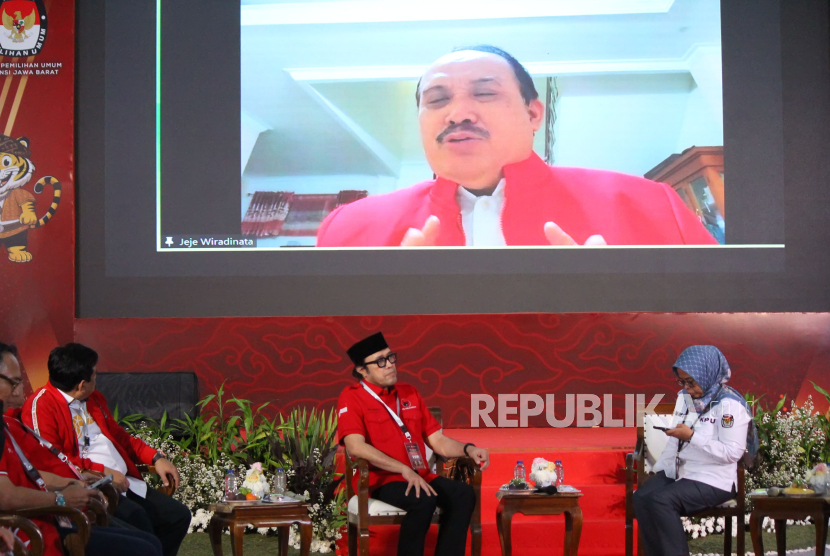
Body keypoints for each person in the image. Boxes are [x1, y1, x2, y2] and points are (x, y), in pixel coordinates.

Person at [316, 45, 718, 248]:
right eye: (437, 100)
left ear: (533, 114)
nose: (458, 113)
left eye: (485, 93)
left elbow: (731, 342)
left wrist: (621, 308)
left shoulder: (649, 205)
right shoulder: (349, 230)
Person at [22, 343, 190, 556]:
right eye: (95, 374)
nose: (97, 377)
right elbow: (54, 461)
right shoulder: (42, 406)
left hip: (126, 482)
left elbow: (119, 437)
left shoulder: (94, 399)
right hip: (94, 486)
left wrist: (155, 457)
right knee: (140, 520)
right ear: (82, 384)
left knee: (178, 515)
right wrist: (105, 473)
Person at [337, 332, 489, 556]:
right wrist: (403, 469)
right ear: (362, 370)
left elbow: (437, 441)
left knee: (463, 494)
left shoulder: (409, 392)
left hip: (422, 475)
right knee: (423, 500)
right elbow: (355, 446)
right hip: (383, 480)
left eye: (390, 358)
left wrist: (469, 449)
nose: (389, 365)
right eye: (380, 361)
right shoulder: (351, 397)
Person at [633, 345, 756, 556]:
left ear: (707, 373)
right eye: (682, 381)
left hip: (714, 480)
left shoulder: (729, 406)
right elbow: (675, 441)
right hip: (682, 473)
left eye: (691, 382)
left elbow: (732, 453)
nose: (687, 388)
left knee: (662, 500)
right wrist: (661, 469)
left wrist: (692, 437)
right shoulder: (686, 398)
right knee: (641, 498)